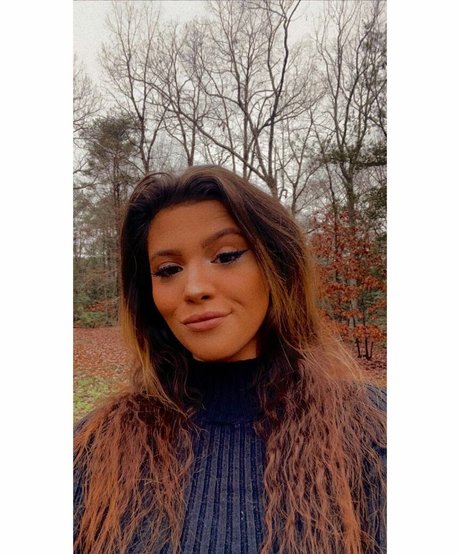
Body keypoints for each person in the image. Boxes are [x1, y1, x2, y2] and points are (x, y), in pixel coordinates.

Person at [74, 165, 386, 554]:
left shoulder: (372, 431)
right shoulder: (94, 448)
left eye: (225, 256)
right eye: (168, 270)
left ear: (276, 267)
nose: (194, 288)